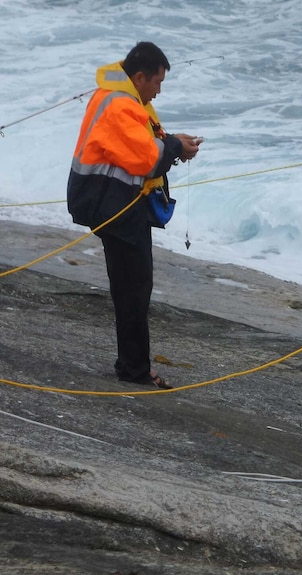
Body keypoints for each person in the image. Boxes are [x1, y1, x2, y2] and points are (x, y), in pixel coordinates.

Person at [67, 42, 202, 390]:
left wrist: (173, 142)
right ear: (139, 77)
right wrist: (174, 147)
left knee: (131, 286)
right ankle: (134, 369)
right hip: (112, 205)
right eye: (157, 82)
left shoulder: (120, 96)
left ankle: (132, 364)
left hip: (114, 202)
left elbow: (145, 145)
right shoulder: (120, 104)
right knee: (133, 288)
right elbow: (147, 159)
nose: (159, 90)